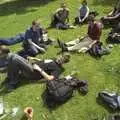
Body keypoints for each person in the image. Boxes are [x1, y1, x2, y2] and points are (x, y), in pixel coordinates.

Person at [2, 49, 70, 91]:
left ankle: (13, 83)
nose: (60, 59)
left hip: (33, 73)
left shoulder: (58, 69)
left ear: (63, 63)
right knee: (13, 57)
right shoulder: (54, 59)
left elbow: (50, 78)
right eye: (61, 57)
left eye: (62, 60)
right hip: (31, 65)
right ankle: (10, 77)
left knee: (15, 59)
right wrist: (34, 59)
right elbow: (44, 61)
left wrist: (39, 69)